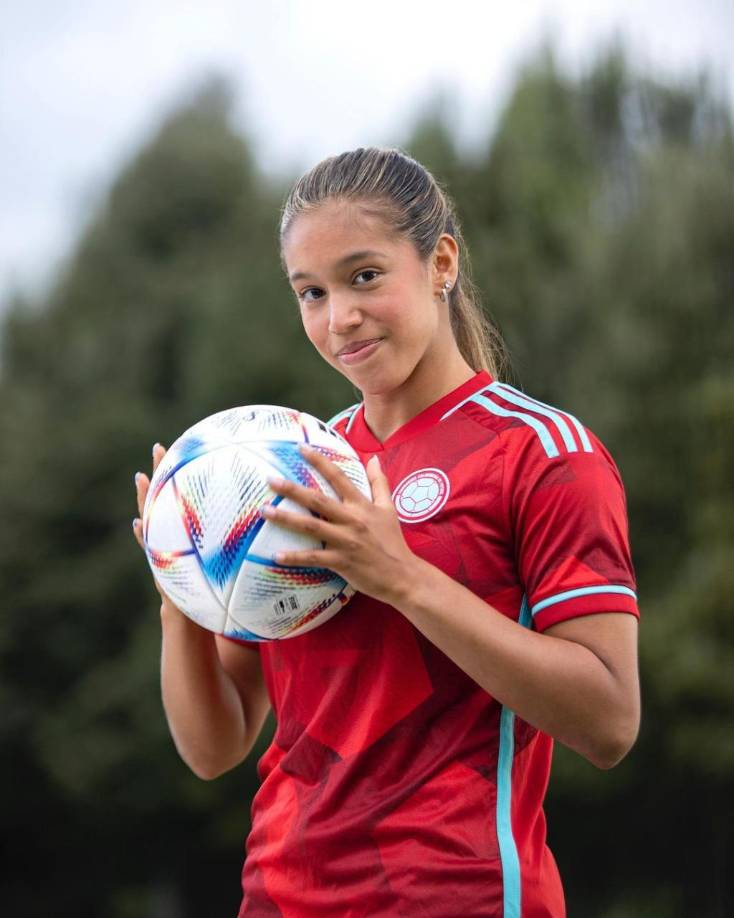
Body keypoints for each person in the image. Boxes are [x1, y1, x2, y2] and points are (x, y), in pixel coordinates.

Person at [133, 147, 640, 917]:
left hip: (456, 895)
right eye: (311, 292)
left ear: (440, 262)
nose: (339, 318)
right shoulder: (294, 463)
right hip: (277, 895)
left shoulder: (542, 454)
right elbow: (217, 746)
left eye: (364, 276)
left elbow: (608, 721)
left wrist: (399, 576)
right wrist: (181, 583)